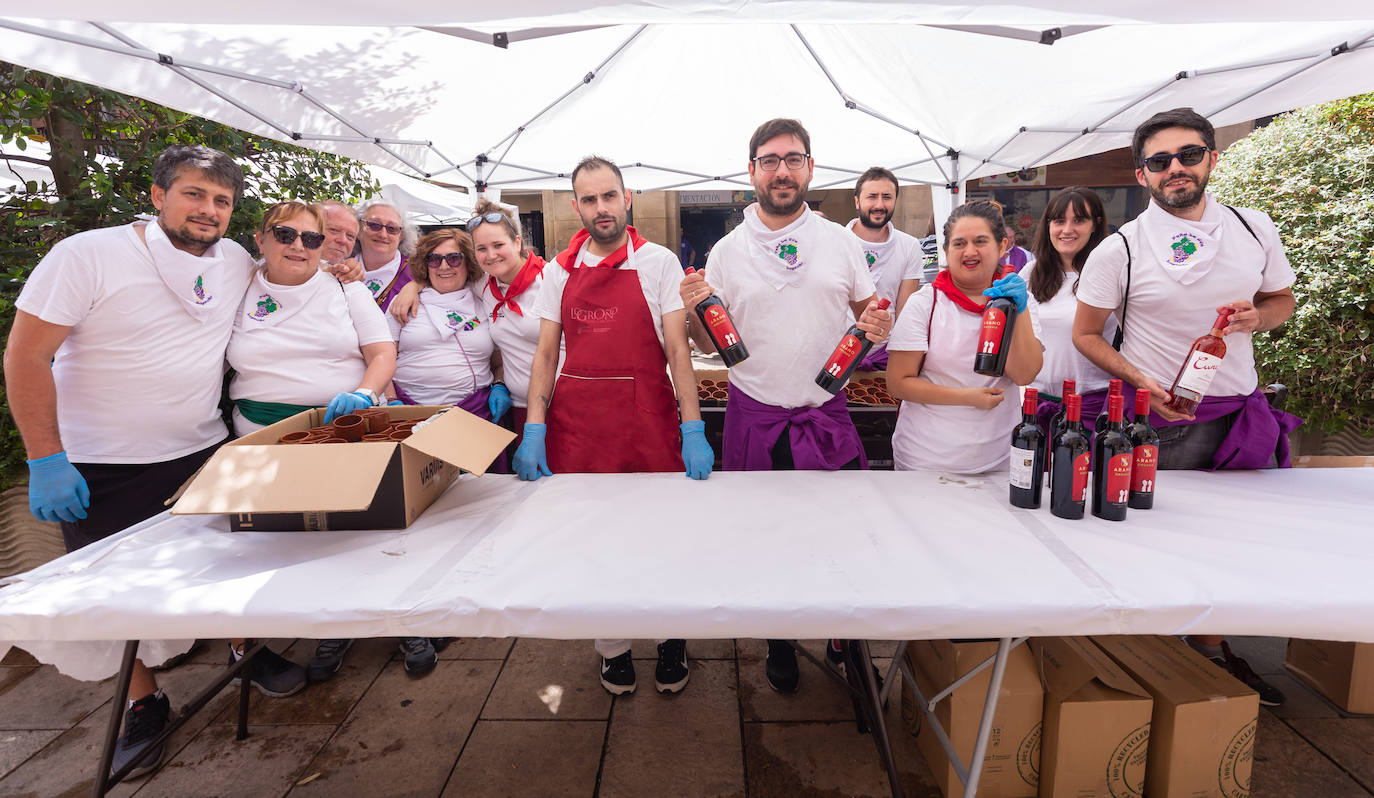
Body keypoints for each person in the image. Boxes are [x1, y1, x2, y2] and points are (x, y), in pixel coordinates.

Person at [3, 146, 313, 779]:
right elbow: (25, 357)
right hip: (99, 462)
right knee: (114, 595)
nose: (208, 210)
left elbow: (293, 271)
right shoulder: (86, 255)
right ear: (157, 195)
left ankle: (244, 648)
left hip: (200, 449)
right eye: (194, 194)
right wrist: (46, 459)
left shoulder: (231, 262)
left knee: (230, 564)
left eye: (221, 200)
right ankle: (144, 702)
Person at [1072, 107, 1299, 706]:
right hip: (1157, 423)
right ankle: (1148, 665)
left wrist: (1263, 316)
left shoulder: (1254, 229)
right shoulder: (1118, 248)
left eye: (1189, 154)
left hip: (1240, 417)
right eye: (1160, 160)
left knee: (1230, 545)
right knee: (1153, 545)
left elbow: (1282, 299)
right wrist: (1143, 383)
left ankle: (1209, 654)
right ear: (1142, 174)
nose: (1176, 168)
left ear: (1212, 159)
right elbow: (1087, 335)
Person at [679, 118, 892, 694]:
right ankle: (777, 639)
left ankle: (843, 638)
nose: (781, 170)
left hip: (826, 412)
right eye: (769, 160)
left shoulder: (841, 242)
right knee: (766, 537)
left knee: (843, 537)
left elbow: (869, 311)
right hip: (756, 411)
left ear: (810, 168)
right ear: (751, 171)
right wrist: (699, 311)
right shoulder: (724, 252)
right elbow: (707, 347)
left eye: (793, 159)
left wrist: (877, 322)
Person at [515, 156, 713, 697]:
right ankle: (613, 648)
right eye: (589, 199)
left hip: (648, 422)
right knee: (593, 540)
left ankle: (672, 639)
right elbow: (546, 351)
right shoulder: (559, 270)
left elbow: (678, 351)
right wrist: (535, 428)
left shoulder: (659, 262)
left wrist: (693, 429)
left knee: (662, 537)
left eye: (610, 196)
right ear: (577, 206)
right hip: (580, 428)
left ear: (628, 199)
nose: (601, 208)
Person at [886, 200, 1042, 473]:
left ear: (1002, 246)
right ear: (946, 250)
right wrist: (967, 397)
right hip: (927, 460)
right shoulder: (925, 303)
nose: (970, 251)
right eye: (959, 243)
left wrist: (1020, 309)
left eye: (980, 241)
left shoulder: (1019, 302)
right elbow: (898, 383)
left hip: (999, 459)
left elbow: (1024, 375)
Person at [226, 201, 396, 436]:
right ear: (260, 241)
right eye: (284, 235)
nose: (298, 246)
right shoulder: (238, 287)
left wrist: (364, 394)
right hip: (258, 436)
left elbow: (382, 353)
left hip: (345, 432)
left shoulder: (346, 286)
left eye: (310, 239)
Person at [1021, 187, 1115, 425]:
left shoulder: (1111, 274)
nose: (1067, 230)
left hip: (1091, 406)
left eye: (1079, 221)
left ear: (1096, 224)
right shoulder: (1030, 274)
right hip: (1034, 402)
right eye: (1059, 221)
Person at [387, 228, 500, 416]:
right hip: (409, 411)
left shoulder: (485, 302)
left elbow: (499, 362)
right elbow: (381, 358)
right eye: (434, 259)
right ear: (425, 264)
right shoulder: (403, 303)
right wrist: (391, 400)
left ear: (469, 262)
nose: (444, 266)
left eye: (454, 258)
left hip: (475, 411)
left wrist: (499, 385)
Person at [846, 166, 925, 370]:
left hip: (884, 355)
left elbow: (905, 311)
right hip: (837, 350)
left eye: (887, 197)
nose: (879, 204)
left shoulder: (909, 246)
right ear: (857, 201)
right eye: (872, 196)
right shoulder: (836, 241)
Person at [356, 198, 417, 310]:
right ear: (358, 230)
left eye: (392, 228)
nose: (383, 234)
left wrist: (417, 284)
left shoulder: (417, 274)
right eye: (374, 225)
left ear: (401, 236)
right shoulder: (339, 266)